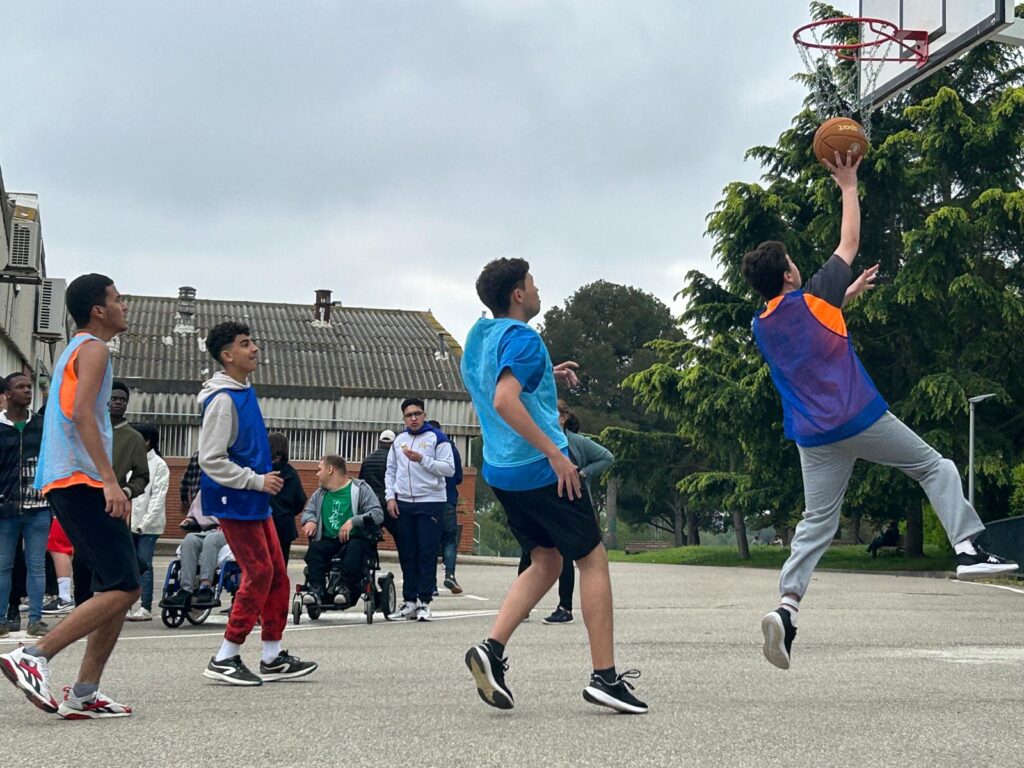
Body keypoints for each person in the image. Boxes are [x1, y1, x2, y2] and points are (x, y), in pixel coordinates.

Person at [741, 152, 1018, 672]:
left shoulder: (763, 324)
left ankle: (787, 608)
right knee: (935, 467)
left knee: (817, 522)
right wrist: (848, 184)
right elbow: (848, 242)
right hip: (858, 417)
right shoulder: (812, 296)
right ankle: (968, 548)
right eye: (794, 263)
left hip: (813, 436)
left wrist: (845, 294)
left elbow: (810, 324)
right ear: (789, 273)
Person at [460, 258, 647, 714]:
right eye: (532, 283)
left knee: (545, 561)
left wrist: (545, 371)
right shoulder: (524, 339)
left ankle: (491, 650)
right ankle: (605, 678)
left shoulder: (479, 336)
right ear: (518, 294)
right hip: (540, 469)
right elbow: (504, 399)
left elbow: (498, 380)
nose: (537, 288)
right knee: (592, 560)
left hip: (502, 471)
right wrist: (556, 454)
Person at [0, 273, 137, 718]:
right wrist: (110, 480)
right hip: (80, 480)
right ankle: (33, 655)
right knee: (125, 586)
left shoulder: (75, 350)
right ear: (98, 310)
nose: (124, 306)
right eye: (117, 299)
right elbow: (81, 415)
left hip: (68, 478)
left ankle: (84, 692)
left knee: (113, 585)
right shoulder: (94, 349)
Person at [198, 321, 317, 686]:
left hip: (254, 499)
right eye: (245, 343)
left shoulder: (244, 391)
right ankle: (225, 655)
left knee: (277, 573)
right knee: (259, 572)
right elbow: (211, 459)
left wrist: (260, 484)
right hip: (235, 500)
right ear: (227, 355)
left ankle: (272, 654)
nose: (254, 348)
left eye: (253, 342)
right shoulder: (222, 400)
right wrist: (256, 480)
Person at [518, 401, 614, 626]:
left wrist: (583, 473)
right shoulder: (537, 440)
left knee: (566, 556)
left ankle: (565, 608)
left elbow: (607, 457)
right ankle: (522, 606)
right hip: (541, 505)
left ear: (563, 418)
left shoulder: (576, 442)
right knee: (529, 554)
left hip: (568, 504)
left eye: (549, 413)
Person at [73, 380, 150, 607]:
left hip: (113, 505)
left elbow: (142, 476)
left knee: (117, 559)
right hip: (84, 500)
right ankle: (82, 608)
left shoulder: (133, 438)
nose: (118, 403)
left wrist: (125, 491)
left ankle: (111, 607)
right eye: (114, 398)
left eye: (122, 400)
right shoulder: (90, 429)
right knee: (82, 560)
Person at [384, 399, 455, 622]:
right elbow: (391, 470)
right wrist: (390, 497)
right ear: (403, 418)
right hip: (404, 502)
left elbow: (449, 469)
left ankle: (424, 602)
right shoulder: (399, 440)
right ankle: (410, 602)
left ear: (424, 415)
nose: (413, 418)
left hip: (430, 501)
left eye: (417, 414)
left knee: (426, 552)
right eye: (409, 415)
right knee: (408, 553)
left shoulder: (437, 438)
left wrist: (423, 459)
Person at [0, 372, 51, 639]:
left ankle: (35, 620)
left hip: (38, 506)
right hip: (4, 508)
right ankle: (1, 619)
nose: (27, 391)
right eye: (20, 387)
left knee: (36, 565)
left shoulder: (41, 426)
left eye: (29, 387)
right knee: (3, 566)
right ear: (7, 394)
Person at [300, 455, 384, 606]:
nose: (317, 474)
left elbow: (377, 514)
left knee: (355, 548)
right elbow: (309, 511)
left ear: (330, 470)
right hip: (328, 540)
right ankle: (316, 590)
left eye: (319, 469)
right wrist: (310, 520)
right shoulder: (320, 494)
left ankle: (344, 587)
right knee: (315, 550)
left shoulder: (360, 489)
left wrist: (353, 521)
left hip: (354, 540)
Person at [127, 423, 168, 621]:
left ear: (147, 441)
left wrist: (144, 523)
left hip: (148, 527)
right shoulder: (129, 460)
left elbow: (157, 498)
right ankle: (125, 606)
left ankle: (145, 607)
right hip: (128, 523)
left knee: (145, 564)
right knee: (127, 565)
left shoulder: (159, 465)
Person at [427, 420, 464, 595]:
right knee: (449, 539)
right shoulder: (451, 448)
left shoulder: (424, 447)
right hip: (448, 499)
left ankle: (431, 584)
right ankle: (450, 574)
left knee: (429, 541)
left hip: (428, 500)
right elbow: (459, 477)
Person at [163, 527, 229, 607]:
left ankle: (205, 587)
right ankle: (185, 590)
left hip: (231, 531)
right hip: (212, 530)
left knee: (211, 539)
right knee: (190, 539)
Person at [267, 432, 306, 565]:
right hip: (284, 525)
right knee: (281, 563)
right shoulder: (291, 472)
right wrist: (288, 512)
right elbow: (301, 499)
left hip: (264, 522)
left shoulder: (261, 470)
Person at [357, 430, 398, 544]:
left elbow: (361, 483)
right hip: (390, 503)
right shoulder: (395, 461)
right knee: (400, 537)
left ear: (379, 442)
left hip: (372, 504)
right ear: (393, 443)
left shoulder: (368, 459)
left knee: (369, 537)